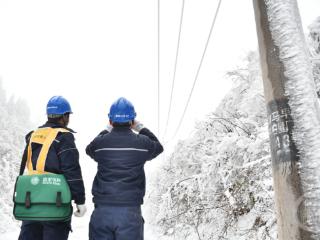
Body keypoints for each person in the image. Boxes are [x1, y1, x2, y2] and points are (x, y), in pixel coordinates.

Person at [86, 97, 163, 240]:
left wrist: (106, 130)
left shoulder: (101, 143)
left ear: (110, 120)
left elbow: (89, 149)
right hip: (130, 212)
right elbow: (158, 147)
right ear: (132, 121)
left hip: (102, 211)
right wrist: (140, 128)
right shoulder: (141, 143)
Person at [18, 96, 86, 240]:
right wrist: (79, 200)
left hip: (32, 202)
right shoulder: (64, 137)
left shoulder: (34, 134)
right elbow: (72, 170)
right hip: (56, 204)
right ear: (65, 116)